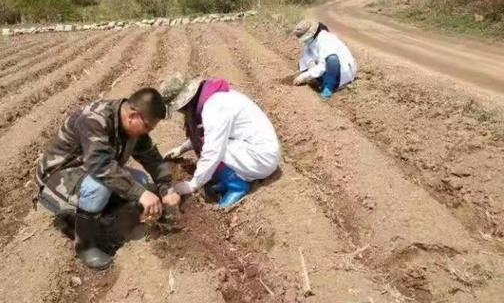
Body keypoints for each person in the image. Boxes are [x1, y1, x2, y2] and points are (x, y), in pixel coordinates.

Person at [34, 88, 181, 270]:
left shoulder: (131, 125)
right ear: (133, 116)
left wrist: (166, 187)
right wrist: (141, 194)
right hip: (57, 179)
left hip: (86, 173)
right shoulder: (94, 120)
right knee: (101, 187)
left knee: (139, 179)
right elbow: (100, 167)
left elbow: (151, 157)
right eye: (148, 127)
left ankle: (100, 213)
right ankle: (86, 245)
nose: (147, 132)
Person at [160, 74, 280, 208]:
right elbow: (209, 133)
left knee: (211, 148)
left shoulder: (215, 108)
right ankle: (230, 178)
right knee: (210, 142)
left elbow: (212, 150)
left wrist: (192, 185)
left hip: (261, 158)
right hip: (253, 149)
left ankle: (237, 185)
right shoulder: (214, 100)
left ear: (186, 103)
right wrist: (182, 148)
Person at [292, 20, 357, 100]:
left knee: (332, 59)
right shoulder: (312, 41)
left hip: (343, 72)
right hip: (327, 68)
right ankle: (318, 80)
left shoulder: (325, 40)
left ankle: (328, 88)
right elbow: (307, 54)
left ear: (310, 34)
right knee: (302, 62)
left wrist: (305, 75)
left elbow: (323, 66)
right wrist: (310, 63)